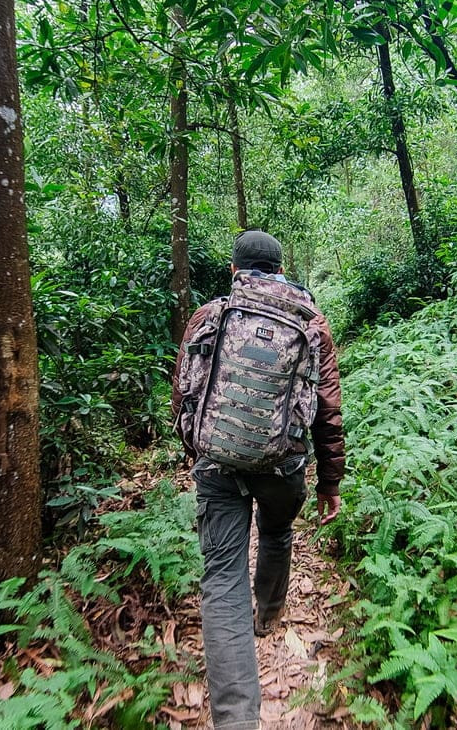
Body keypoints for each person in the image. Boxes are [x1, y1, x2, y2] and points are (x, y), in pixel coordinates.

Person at [171, 229, 346, 730]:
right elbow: (328, 411)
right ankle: (268, 613)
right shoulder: (311, 323)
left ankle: (235, 720)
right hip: (283, 464)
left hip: (217, 465)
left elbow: (184, 391)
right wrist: (329, 482)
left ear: (234, 270)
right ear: (280, 269)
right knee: (276, 531)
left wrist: (196, 453)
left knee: (222, 578)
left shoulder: (209, 316)